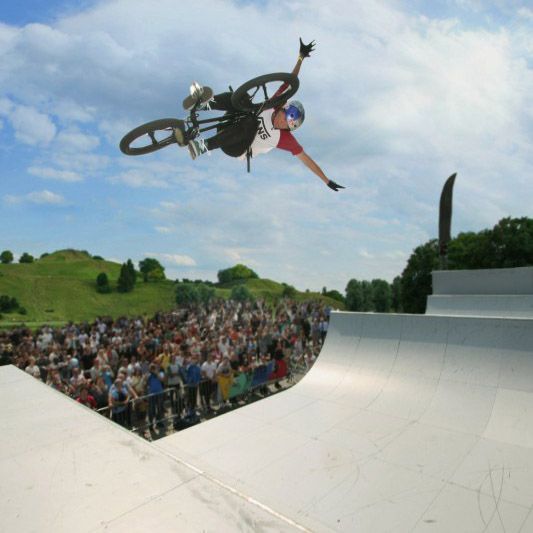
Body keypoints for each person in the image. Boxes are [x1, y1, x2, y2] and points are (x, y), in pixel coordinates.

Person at [175, 38, 345, 192]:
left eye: (287, 127)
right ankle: (203, 104)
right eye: (284, 120)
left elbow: (306, 159)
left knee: (251, 121)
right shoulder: (274, 104)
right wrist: (300, 58)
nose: (282, 125)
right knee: (242, 98)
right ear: (283, 110)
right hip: (229, 124)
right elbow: (290, 81)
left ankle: (202, 147)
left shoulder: (283, 138)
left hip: (236, 147)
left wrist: (326, 181)